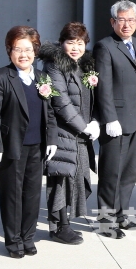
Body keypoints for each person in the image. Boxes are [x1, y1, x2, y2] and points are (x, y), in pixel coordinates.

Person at [0, 26, 58, 258]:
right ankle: (13, 242)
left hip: (37, 146)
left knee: (32, 194)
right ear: (9, 51)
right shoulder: (1, 76)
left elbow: (50, 112)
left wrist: (51, 139)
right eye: (18, 49)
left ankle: (28, 237)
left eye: (28, 49)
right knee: (12, 195)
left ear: (35, 51)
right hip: (11, 147)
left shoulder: (42, 78)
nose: (24, 54)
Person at [39, 22, 100, 245]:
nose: (76, 48)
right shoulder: (54, 65)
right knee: (61, 180)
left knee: (75, 179)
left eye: (80, 43)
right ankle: (59, 227)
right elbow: (61, 101)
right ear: (62, 42)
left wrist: (95, 121)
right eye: (71, 42)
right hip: (63, 132)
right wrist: (83, 126)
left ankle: (65, 224)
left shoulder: (84, 65)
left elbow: (92, 99)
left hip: (80, 135)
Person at [94, 0, 136, 238]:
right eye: (122, 20)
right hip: (115, 121)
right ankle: (106, 221)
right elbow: (103, 85)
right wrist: (109, 118)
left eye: (131, 20)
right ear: (113, 21)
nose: (127, 24)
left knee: (128, 173)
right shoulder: (105, 46)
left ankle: (122, 215)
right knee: (111, 173)